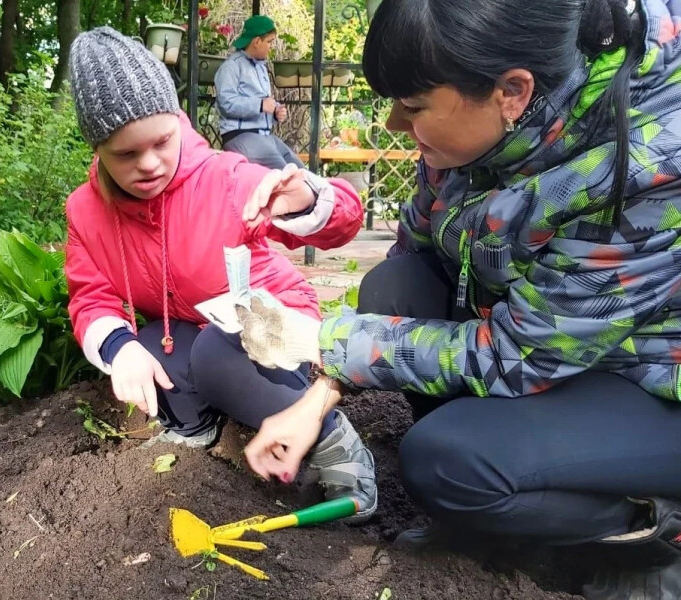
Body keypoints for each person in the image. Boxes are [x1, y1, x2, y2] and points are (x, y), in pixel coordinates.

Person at [234, 0, 681, 597]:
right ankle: (500, 498)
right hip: (554, 346)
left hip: (652, 380)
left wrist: (323, 339)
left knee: (446, 465)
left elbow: (516, 357)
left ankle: (651, 531)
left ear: (512, 92)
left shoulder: (644, 165)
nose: (395, 124)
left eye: (413, 107)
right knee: (395, 287)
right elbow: (413, 250)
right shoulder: (472, 127)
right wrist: (321, 393)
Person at [65, 27, 376, 520]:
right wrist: (115, 347)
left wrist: (306, 199)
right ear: (97, 148)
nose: (149, 164)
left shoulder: (223, 177)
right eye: (126, 154)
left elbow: (342, 222)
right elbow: (91, 297)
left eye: (162, 142)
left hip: (271, 329)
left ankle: (329, 436)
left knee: (214, 349)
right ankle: (200, 426)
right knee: (145, 346)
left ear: (177, 121)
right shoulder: (86, 212)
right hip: (190, 330)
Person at [214, 15, 304, 170]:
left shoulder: (261, 67)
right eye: (269, 42)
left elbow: (263, 104)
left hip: (264, 136)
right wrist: (260, 105)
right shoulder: (231, 67)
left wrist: (275, 113)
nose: (271, 47)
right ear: (256, 42)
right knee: (285, 173)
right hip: (239, 136)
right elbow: (226, 103)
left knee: (300, 169)